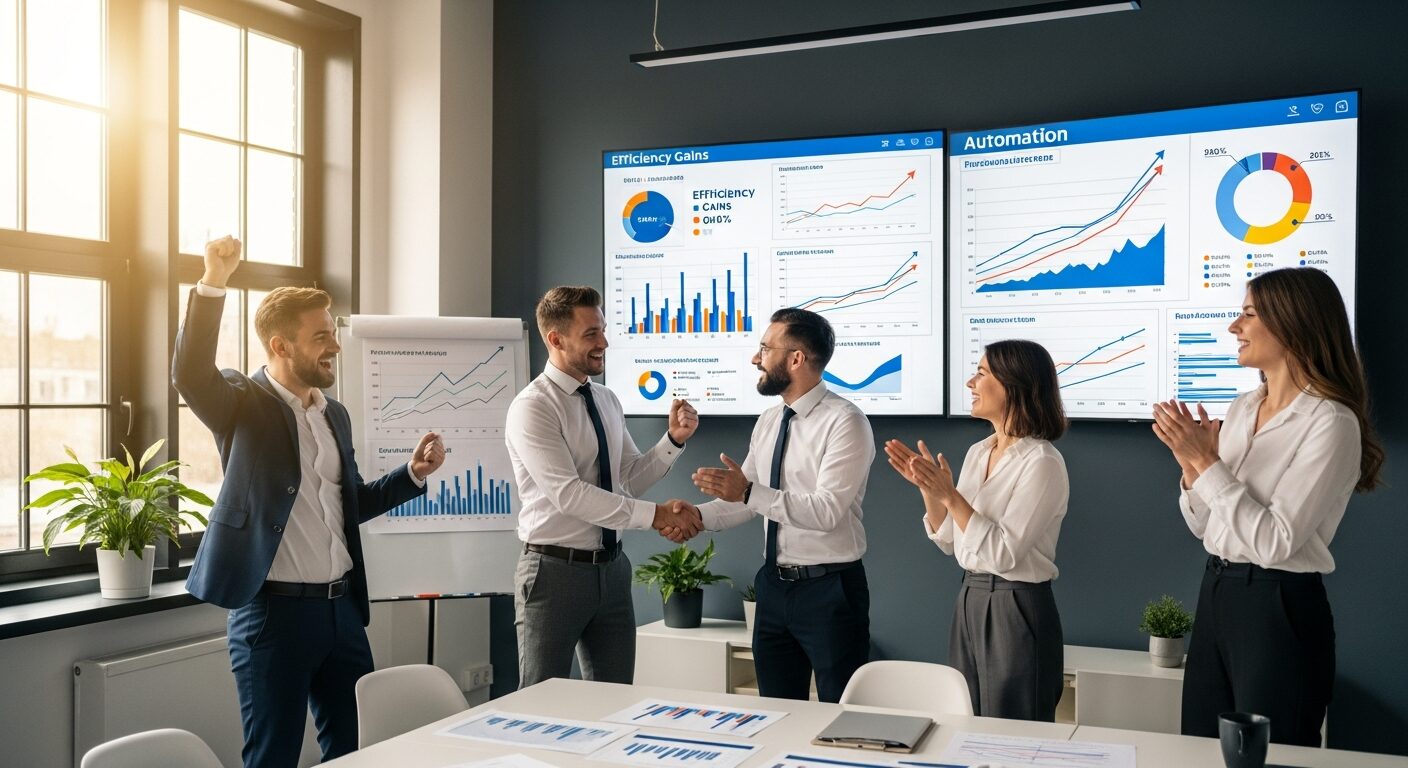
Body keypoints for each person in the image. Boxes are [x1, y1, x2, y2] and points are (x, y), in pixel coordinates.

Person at [173, 236, 446, 767]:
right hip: (272, 616)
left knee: (358, 752)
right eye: (321, 336)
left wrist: (412, 475)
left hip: (342, 613)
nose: (335, 347)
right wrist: (214, 281)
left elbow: (351, 503)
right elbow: (190, 374)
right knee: (272, 757)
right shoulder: (241, 404)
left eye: (332, 334)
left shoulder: (332, 414)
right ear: (280, 346)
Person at [1153, 267, 1384, 746]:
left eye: (1249, 314)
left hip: (1279, 604)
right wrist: (1192, 469)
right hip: (1217, 591)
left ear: (1292, 322)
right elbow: (1205, 527)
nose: (1234, 327)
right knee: (1199, 745)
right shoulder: (1241, 408)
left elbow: (1275, 542)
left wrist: (1207, 462)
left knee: (1271, 754)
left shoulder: (1331, 421)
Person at [506, 285, 702, 688]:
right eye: (591, 334)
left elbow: (626, 478)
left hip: (612, 571)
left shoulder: (607, 399)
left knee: (614, 698)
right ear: (556, 339)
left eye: (604, 330)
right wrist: (656, 516)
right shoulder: (533, 407)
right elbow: (569, 494)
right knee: (539, 702)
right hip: (554, 574)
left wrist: (672, 441)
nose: (604, 343)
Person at [689, 308, 873, 703]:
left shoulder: (846, 422)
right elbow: (746, 502)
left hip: (830, 590)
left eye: (765, 349)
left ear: (796, 359)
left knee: (842, 714)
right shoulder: (770, 420)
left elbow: (826, 511)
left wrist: (746, 492)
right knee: (776, 711)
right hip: (772, 588)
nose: (756, 358)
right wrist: (695, 517)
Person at [885, 339, 1068, 721]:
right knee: (966, 722)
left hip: (1017, 605)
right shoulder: (978, 452)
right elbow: (950, 540)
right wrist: (930, 491)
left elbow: (1003, 554)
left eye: (982, 373)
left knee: (1015, 727)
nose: (970, 382)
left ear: (1014, 384)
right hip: (970, 598)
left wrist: (950, 495)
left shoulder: (1043, 462)